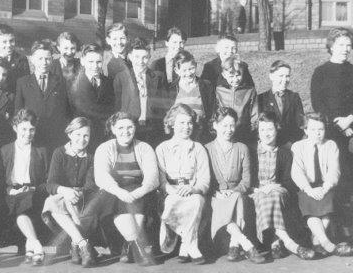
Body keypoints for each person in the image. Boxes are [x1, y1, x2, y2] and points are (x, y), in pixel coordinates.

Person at [79, 112, 159, 266]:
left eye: (130, 127)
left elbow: (152, 178)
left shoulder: (144, 147)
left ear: (135, 128)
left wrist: (137, 193)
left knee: (137, 209)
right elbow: (102, 177)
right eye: (120, 127)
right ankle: (137, 247)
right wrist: (121, 192)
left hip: (138, 190)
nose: (125, 131)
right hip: (112, 191)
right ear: (113, 129)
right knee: (120, 205)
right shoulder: (104, 148)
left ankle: (129, 245)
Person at [251, 112, 314, 260]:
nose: (266, 134)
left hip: (278, 191)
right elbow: (248, 179)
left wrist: (273, 187)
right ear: (258, 131)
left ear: (277, 129)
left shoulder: (285, 153)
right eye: (262, 130)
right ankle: (287, 244)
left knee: (273, 195)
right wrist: (259, 189)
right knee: (265, 197)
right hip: (256, 191)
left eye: (270, 129)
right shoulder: (251, 151)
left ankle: (274, 241)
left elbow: (288, 182)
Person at [205, 107, 265, 264]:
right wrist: (217, 192)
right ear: (215, 126)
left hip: (237, 194)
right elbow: (205, 178)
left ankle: (234, 245)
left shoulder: (242, 148)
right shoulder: (207, 149)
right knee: (223, 201)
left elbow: (246, 181)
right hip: (215, 195)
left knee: (237, 197)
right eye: (224, 125)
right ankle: (246, 244)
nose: (229, 130)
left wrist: (234, 191)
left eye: (232, 125)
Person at [291, 112, 353, 257]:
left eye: (321, 129)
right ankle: (327, 243)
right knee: (310, 206)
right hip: (306, 187)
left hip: (326, 186)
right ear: (305, 130)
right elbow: (297, 172)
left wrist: (325, 188)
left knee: (327, 204)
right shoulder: (298, 146)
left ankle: (317, 240)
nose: (317, 133)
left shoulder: (331, 145)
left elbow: (334, 171)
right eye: (313, 130)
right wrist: (309, 190)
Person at [310, 27, 353, 233]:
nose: (346, 49)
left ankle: (348, 227)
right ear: (331, 46)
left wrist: (349, 121)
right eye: (341, 45)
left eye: (349, 45)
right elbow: (318, 105)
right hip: (329, 132)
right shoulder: (320, 72)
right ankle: (333, 228)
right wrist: (338, 127)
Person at [156, 104, 210, 264]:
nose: (186, 127)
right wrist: (171, 190)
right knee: (172, 202)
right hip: (169, 193)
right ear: (172, 123)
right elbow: (160, 180)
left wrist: (193, 189)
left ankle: (188, 246)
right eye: (181, 123)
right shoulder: (162, 148)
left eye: (189, 123)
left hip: (192, 192)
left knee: (197, 201)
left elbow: (205, 180)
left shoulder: (198, 148)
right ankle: (183, 239)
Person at [42, 117, 97, 267]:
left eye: (86, 135)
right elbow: (51, 183)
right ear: (70, 134)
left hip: (82, 200)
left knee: (59, 203)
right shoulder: (59, 153)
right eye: (78, 134)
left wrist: (75, 193)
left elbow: (90, 186)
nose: (82, 139)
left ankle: (75, 245)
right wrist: (65, 191)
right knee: (53, 200)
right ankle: (83, 245)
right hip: (61, 199)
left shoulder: (91, 158)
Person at [0, 109, 49, 266]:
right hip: (12, 193)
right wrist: (10, 190)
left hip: (34, 192)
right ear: (15, 128)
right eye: (24, 129)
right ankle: (35, 245)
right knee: (19, 205)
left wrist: (33, 189)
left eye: (32, 129)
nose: (28, 133)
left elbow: (48, 178)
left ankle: (31, 246)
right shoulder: (5, 150)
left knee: (25, 203)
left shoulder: (41, 151)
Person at [15, 39, 70, 155]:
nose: (44, 62)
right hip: (32, 135)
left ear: (52, 59)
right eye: (40, 59)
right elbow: (18, 111)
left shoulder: (61, 82)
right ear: (32, 59)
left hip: (55, 136)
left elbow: (66, 110)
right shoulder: (23, 82)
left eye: (47, 58)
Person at [68, 43, 116, 150]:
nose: (95, 66)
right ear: (82, 61)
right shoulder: (72, 84)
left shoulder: (110, 82)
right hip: (82, 139)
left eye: (98, 62)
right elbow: (69, 113)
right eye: (90, 62)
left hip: (104, 138)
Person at [128, 37, 168, 147]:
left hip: (152, 127)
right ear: (130, 57)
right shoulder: (122, 77)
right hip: (131, 127)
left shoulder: (158, 77)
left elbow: (163, 104)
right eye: (137, 57)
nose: (140, 61)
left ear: (149, 57)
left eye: (145, 57)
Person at [259, 60, 304, 147]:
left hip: (289, 145)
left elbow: (300, 124)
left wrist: (291, 143)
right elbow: (259, 125)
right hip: (268, 145)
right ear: (271, 76)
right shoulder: (261, 99)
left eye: (287, 76)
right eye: (281, 76)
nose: (285, 80)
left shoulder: (294, 97)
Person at [173, 50, 215, 143]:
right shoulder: (171, 88)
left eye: (191, 68)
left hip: (201, 135)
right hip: (179, 136)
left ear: (196, 66)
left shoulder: (206, 86)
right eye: (184, 70)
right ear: (176, 70)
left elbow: (211, 111)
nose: (188, 73)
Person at [214, 57, 258, 145]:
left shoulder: (250, 91)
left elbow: (254, 114)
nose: (235, 79)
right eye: (231, 76)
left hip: (244, 134)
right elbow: (214, 113)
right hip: (224, 133)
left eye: (238, 75)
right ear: (224, 75)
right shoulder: (218, 90)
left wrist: (252, 132)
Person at [0, 24, 30, 94]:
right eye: (4, 42)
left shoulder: (21, 60)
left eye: (11, 41)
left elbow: (26, 86)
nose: (9, 45)